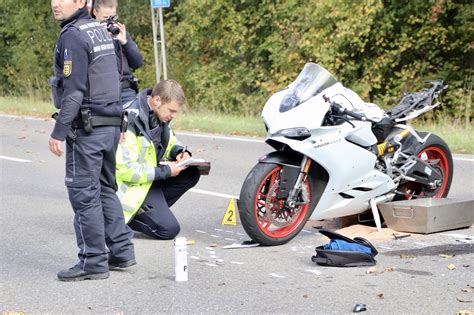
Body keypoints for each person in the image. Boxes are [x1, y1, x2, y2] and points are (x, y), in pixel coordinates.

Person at [49, 0, 135, 281]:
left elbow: (73, 91)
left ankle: (93, 260)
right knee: (105, 190)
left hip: (87, 127)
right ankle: (121, 252)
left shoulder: (74, 35)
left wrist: (59, 131)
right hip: (109, 124)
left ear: (81, 2)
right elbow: (117, 79)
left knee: (85, 195)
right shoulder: (99, 31)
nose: (55, 3)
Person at [116, 80, 200, 240]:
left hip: (148, 179)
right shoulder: (128, 121)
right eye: (172, 111)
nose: (173, 116)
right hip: (130, 186)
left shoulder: (160, 115)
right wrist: (167, 171)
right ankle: (129, 218)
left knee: (191, 172)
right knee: (169, 230)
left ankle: (151, 212)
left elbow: (170, 143)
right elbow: (126, 170)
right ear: (157, 100)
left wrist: (179, 152)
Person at [91, 0, 144, 105]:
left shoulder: (121, 34)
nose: (109, 23)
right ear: (95, 12)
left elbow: (138, 63)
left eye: (113, 18)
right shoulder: (87, 35)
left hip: (125, 91)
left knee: (138, 116)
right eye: (105, 19)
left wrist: (125, 42)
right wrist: (99, 37)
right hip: (100, 93)